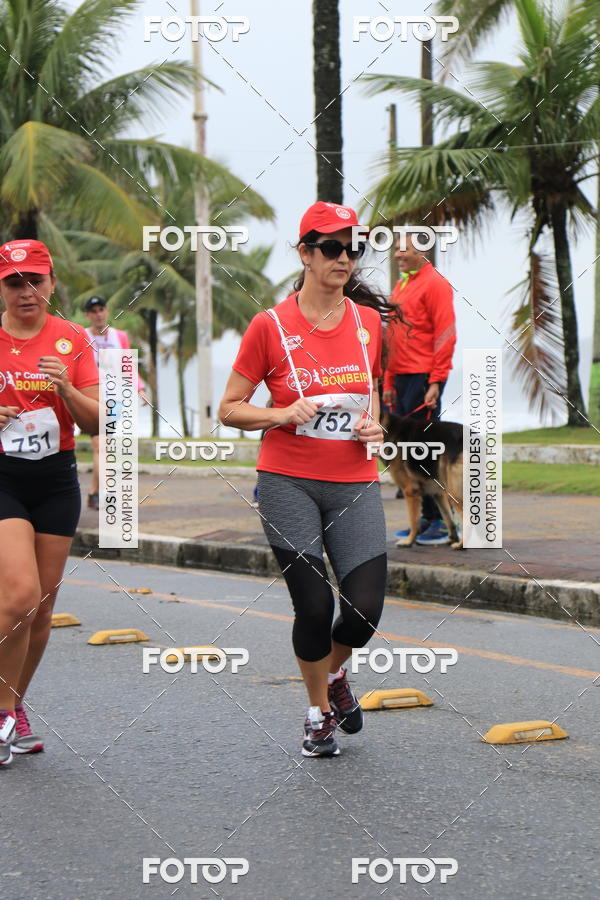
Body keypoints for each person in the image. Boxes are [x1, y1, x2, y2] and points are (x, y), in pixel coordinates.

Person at [219, 201, 397, 758]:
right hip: (287, 480)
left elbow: (369, 396)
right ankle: (317, 712)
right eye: (331, 248)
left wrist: (376, 428)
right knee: (315, 607)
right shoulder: (269, 326)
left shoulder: (368, 323)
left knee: (364, 610)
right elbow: (228, 408)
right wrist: (278, 415)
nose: (344, 258)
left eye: (353, 248)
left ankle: (336, 676)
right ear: (305, 253)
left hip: (354, 479)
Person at [0, 239, 99, 767]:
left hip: (56, 480)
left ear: (52, 283)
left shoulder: (72, 339)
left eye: (35, 280)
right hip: (4, 479)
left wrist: (66, 390)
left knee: (40, 611)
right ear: (2, 288)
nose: (26, 292)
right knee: (18, 595)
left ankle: (13, 708)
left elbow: (98, 422)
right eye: (15, 282)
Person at [382, 233, 456, 546]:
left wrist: (436, 380)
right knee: (403, 453)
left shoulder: (436, 283)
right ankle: (422, 518)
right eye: (397, 249)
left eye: (405, 250)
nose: (398, 255)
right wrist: (386, 382)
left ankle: (437, 520)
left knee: (423, 448)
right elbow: (391, 336)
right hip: (398, 378)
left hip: (423, 375)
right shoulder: (402, 284)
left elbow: (446, 333)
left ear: (422, 252)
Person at [84, 296, 146, 510]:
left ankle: (95, 493)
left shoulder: (119, 337)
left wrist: (140, 388)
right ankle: (104, 492)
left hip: (114, 398)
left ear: (107, 311)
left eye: (101, 309)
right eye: (93, 311)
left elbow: (128, 365)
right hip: (90, 397)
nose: (98, 314)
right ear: (87, 315)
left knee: (102, 446)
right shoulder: (82, 337)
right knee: (100, 445)